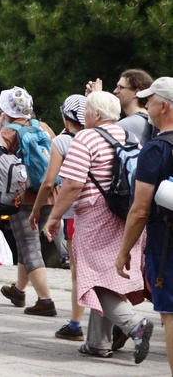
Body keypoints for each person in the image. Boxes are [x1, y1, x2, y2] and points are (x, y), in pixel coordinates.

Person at [45, 91, 152, 361]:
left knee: (94, 277)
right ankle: (97, 342)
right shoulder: (130, 137)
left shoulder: (86, 137)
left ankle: (133, 324)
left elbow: (72, 184)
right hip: (126, 213)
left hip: (95, 215)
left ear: (95, 114)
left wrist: (54, 216)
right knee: (108, 276)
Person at [116, 76, 173, 373]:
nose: (146, 103)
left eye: (150, 99)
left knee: (171, 315)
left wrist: (125, 250)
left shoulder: (155, 149)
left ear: (163, 106)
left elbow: (139, 209)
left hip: (165, 243)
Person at [0, 87, 57, 316]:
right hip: (50, 194)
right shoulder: (43, 127)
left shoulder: (7, 133)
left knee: (29, 245)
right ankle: (19, 290)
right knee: (27, 242)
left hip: (23, 199)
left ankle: (46, 300)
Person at [31, 94, 87, 340]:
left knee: (78, 272)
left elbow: (49, 181)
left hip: (75, 211)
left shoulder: (63, 142)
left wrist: (38, 209)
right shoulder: (98, 137)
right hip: (105, 210)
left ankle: (76, 324)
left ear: (66, 116)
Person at [86, 69, 154, 144]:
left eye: (120, 87)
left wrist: (96, 99)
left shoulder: (131, 123)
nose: (115, 91)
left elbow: (95, 139)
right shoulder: (146, 120)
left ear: (136, 92)